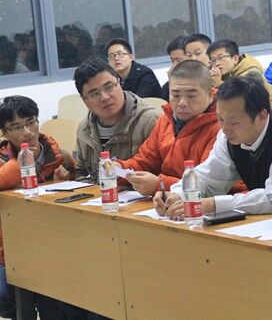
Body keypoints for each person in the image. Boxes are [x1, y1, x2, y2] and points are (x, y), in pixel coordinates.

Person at [154, 76, 272, 217]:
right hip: (267, 222)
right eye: (220, 119)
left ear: (261, 116)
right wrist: (178, 194)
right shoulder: (227, 136)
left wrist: (213, 205)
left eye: (233, 122)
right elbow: (209, 177)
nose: (224, 129)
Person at [0, 96, 77, 319]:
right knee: (5, 293)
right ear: (5, 133)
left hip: (51, 243)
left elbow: (77, 179)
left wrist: (69, 175)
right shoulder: (3, 158)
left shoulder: (58, 155)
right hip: (8, 250)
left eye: (31, 122)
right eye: (16, 127)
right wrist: (22, 163)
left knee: (62, 297)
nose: (27, 132)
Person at [116, 60, 221, 196]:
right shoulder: (166, 120)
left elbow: (211, 186)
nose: (182, 103)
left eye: (191, 96)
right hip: (165, 201)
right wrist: (120, 169)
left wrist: (160, 185)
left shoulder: (221, 128)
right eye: (175, 95)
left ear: (210, 95)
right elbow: (145, 162)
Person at [71, 58, 160, 182]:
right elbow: (82, 173)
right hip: (99, 193)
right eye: (95, 94)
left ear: (119, 83)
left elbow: (160, 172)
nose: (104, 97)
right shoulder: (85, 129)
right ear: (85, 100)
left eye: (109, 87)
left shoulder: (150, 121)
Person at [206, 39, 272, 109]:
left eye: (221, 57)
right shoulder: (226, 73)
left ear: (235, 59)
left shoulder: (252, 74)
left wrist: (219, 85)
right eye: (213, 60)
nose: (217, 63)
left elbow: (241, 105)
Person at [160, 36, 188, 101]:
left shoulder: (204, 78)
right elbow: (164, 103)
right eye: (172, 61)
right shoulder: (168, 84)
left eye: (179, 60)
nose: (174, 65)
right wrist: (172, 82)